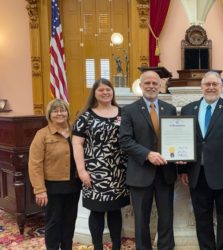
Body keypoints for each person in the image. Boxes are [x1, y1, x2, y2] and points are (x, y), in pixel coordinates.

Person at [180, 71, 223, 250]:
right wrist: (182, 170)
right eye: (207, 84)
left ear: (221, 87)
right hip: (197, 175)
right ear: (201, 87)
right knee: (202, 220)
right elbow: (183, 142)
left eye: (215, 84)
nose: (211, 88)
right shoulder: (189, 109)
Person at [119, 70, 177, 250]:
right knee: (141, 220)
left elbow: (175, 138)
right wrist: (147, 154)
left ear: (160, 86)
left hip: (165, 173)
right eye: (147, 83)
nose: (151, 86)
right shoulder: (129, 110)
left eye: (155, 83)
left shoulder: (170, 109)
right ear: (141, 85)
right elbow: (125, 141)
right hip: (140, 173)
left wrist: (180, 156)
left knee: (166, 218)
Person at [72, 79, 130, 250]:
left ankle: (117, 246)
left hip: (119, 172)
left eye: (108, 90)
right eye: (101, 90)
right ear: (94, 94)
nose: (105, 93)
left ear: (113, 92)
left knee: (115, 209)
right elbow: (77, 144)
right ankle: (98, 246)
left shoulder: (123, 114)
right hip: (94, 172)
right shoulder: (85, 116)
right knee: (96, 211)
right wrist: (81, 171)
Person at [29, 99, 81, 250]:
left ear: (67, 112)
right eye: (55, 111)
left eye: (62, 110)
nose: (59, 113)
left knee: (70, 221)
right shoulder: (42, 135)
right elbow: (34, 164)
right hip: (52, 187)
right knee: (53, 222)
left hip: (73, 185)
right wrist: (39, 189)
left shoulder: (75, 131)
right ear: (49, 114)